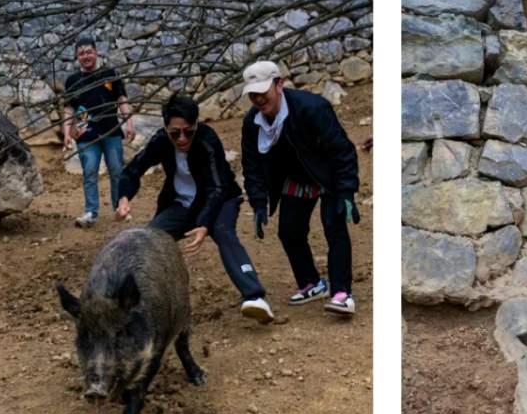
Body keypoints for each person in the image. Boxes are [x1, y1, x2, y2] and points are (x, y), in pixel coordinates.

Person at [115, 92, 273, 324]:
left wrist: (204, 224)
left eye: (188, 131)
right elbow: (133, 170)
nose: (181, 139)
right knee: (148, 240)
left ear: (197, 124)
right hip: (181, 204)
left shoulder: (208, 141)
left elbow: (217, 187)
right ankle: (132, 301)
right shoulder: (160, 140)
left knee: (224, 234)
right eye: (174, 133)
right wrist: (124, 198)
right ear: (166, 128)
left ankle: (255, 297)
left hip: (221, 200)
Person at [240, 60, 360, 317]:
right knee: (289, 231)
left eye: (263, 91)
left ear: (279, 85)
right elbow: (252, 166)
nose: (259, 99)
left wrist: (347, 190)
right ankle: (312, 283)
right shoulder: (253, 123)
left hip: (328, 175)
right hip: (296, 178)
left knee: (334, 226)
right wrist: (259, 203)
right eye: (253, 94)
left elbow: (342, 149)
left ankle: (342, 294)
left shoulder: (312, 108)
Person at [62, 34, 136, 229]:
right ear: (77, 57)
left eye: (89, 52)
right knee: (89, 171)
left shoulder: (110, 74)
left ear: (96, 52)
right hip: (86, 134)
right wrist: (67, 133)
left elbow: (122, 99)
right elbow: (69, 109)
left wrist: (129, 123)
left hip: (111, 130)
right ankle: (90, 212)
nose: (86, 56)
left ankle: (120, 208)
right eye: (81, 54)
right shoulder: (72, 81)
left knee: (117, 171)